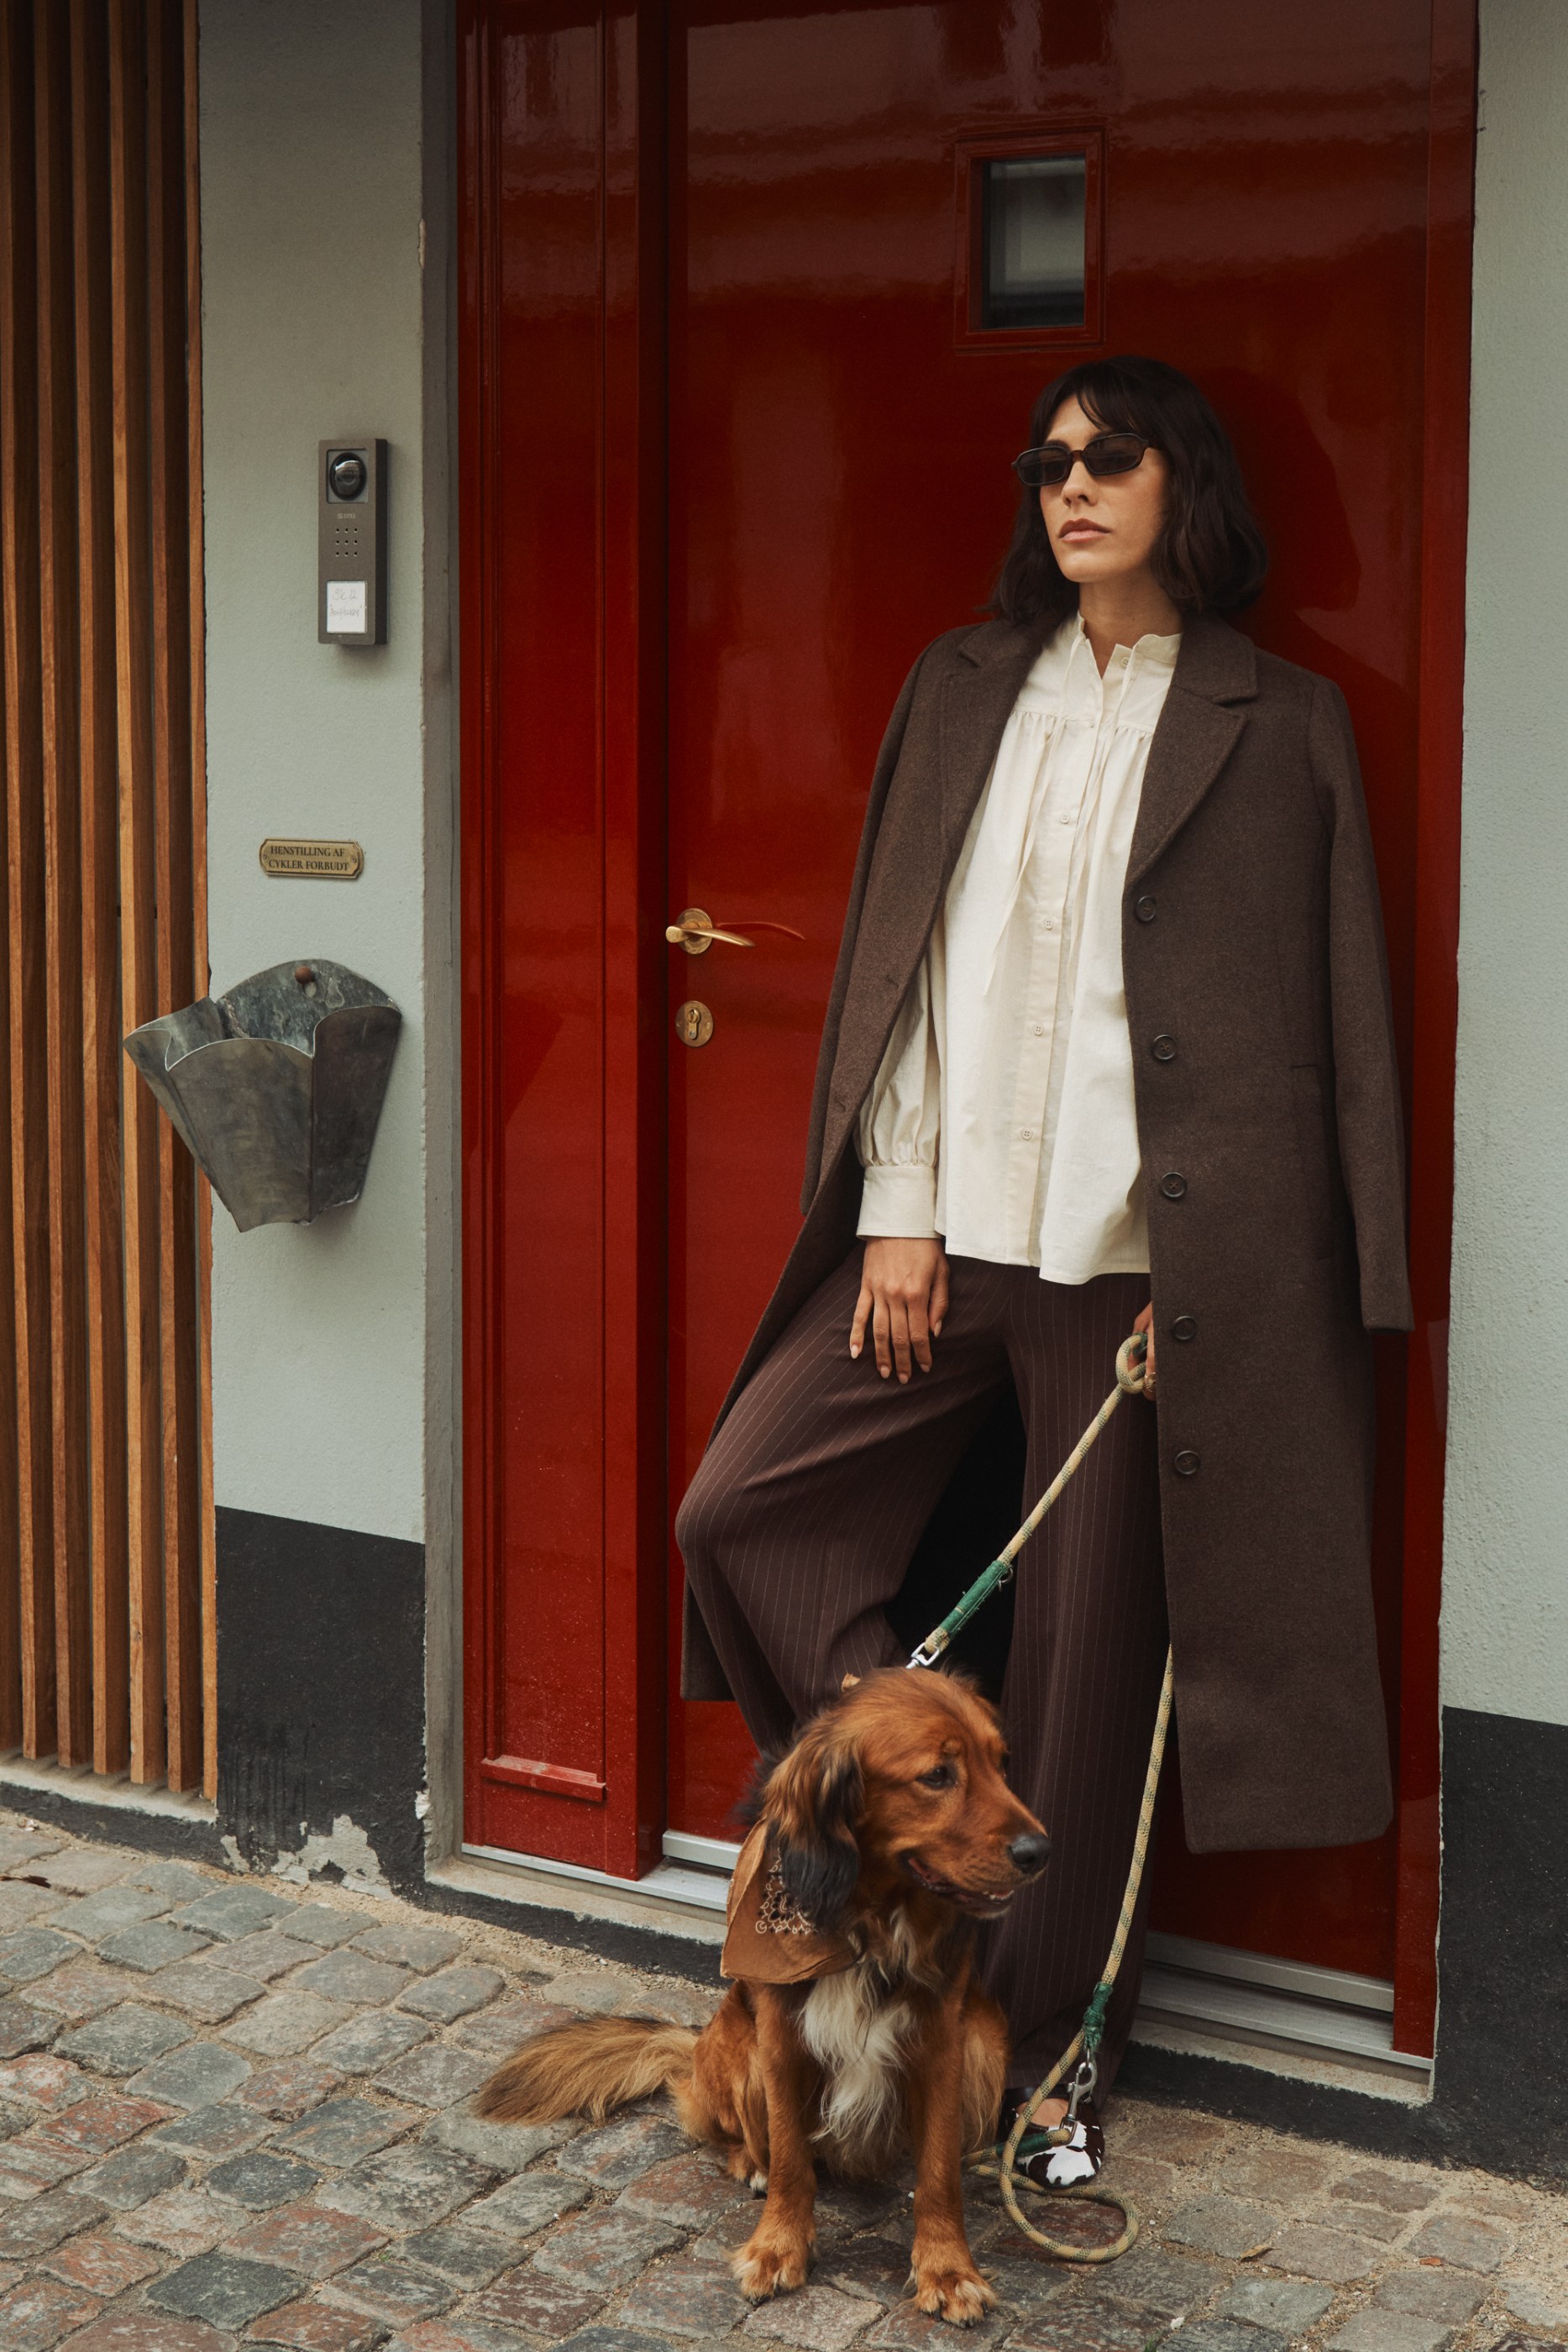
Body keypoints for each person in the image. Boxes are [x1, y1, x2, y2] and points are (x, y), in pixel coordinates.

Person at [676, 354, 1412, 2182]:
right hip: (948, 1235)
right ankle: (886, 1817)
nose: (1070, 485)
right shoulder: (964, 684)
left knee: (1091, 1673)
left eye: (1111, 456)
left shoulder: (1279, 719)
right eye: (1050, 460)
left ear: (1185, 485)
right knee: (739, 1504)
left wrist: (1262, 1271)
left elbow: (1333, 1025)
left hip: (1138, 1271)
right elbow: (909, 962)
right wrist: (899, 1200)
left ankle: (1044, 2053)